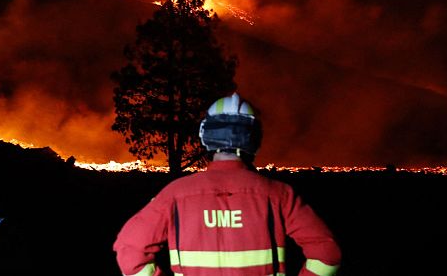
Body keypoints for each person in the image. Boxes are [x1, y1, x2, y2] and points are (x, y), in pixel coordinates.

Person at [113, 93, 341, 276]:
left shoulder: (175, 194)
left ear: (205, 136)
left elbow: (129, 253)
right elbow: (327, 255)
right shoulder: (280, 195)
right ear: (255, 139)